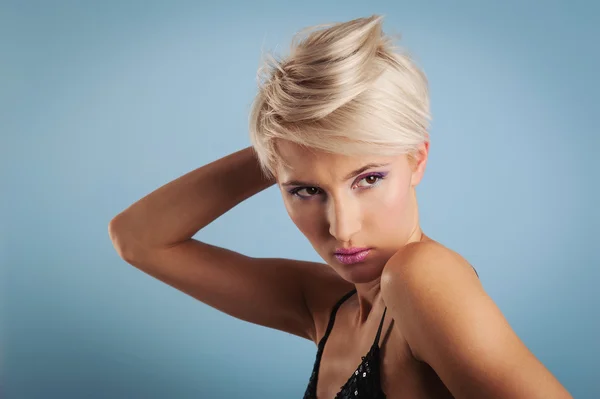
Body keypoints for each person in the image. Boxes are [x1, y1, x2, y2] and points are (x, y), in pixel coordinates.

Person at [108, 15, 573, 399]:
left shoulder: (421, 276)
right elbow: (139, 239)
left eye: (368, 179)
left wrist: (303, 147)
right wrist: (282, 143)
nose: (341, 228)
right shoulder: (330, 305)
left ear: (417, 159)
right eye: (305, 191)